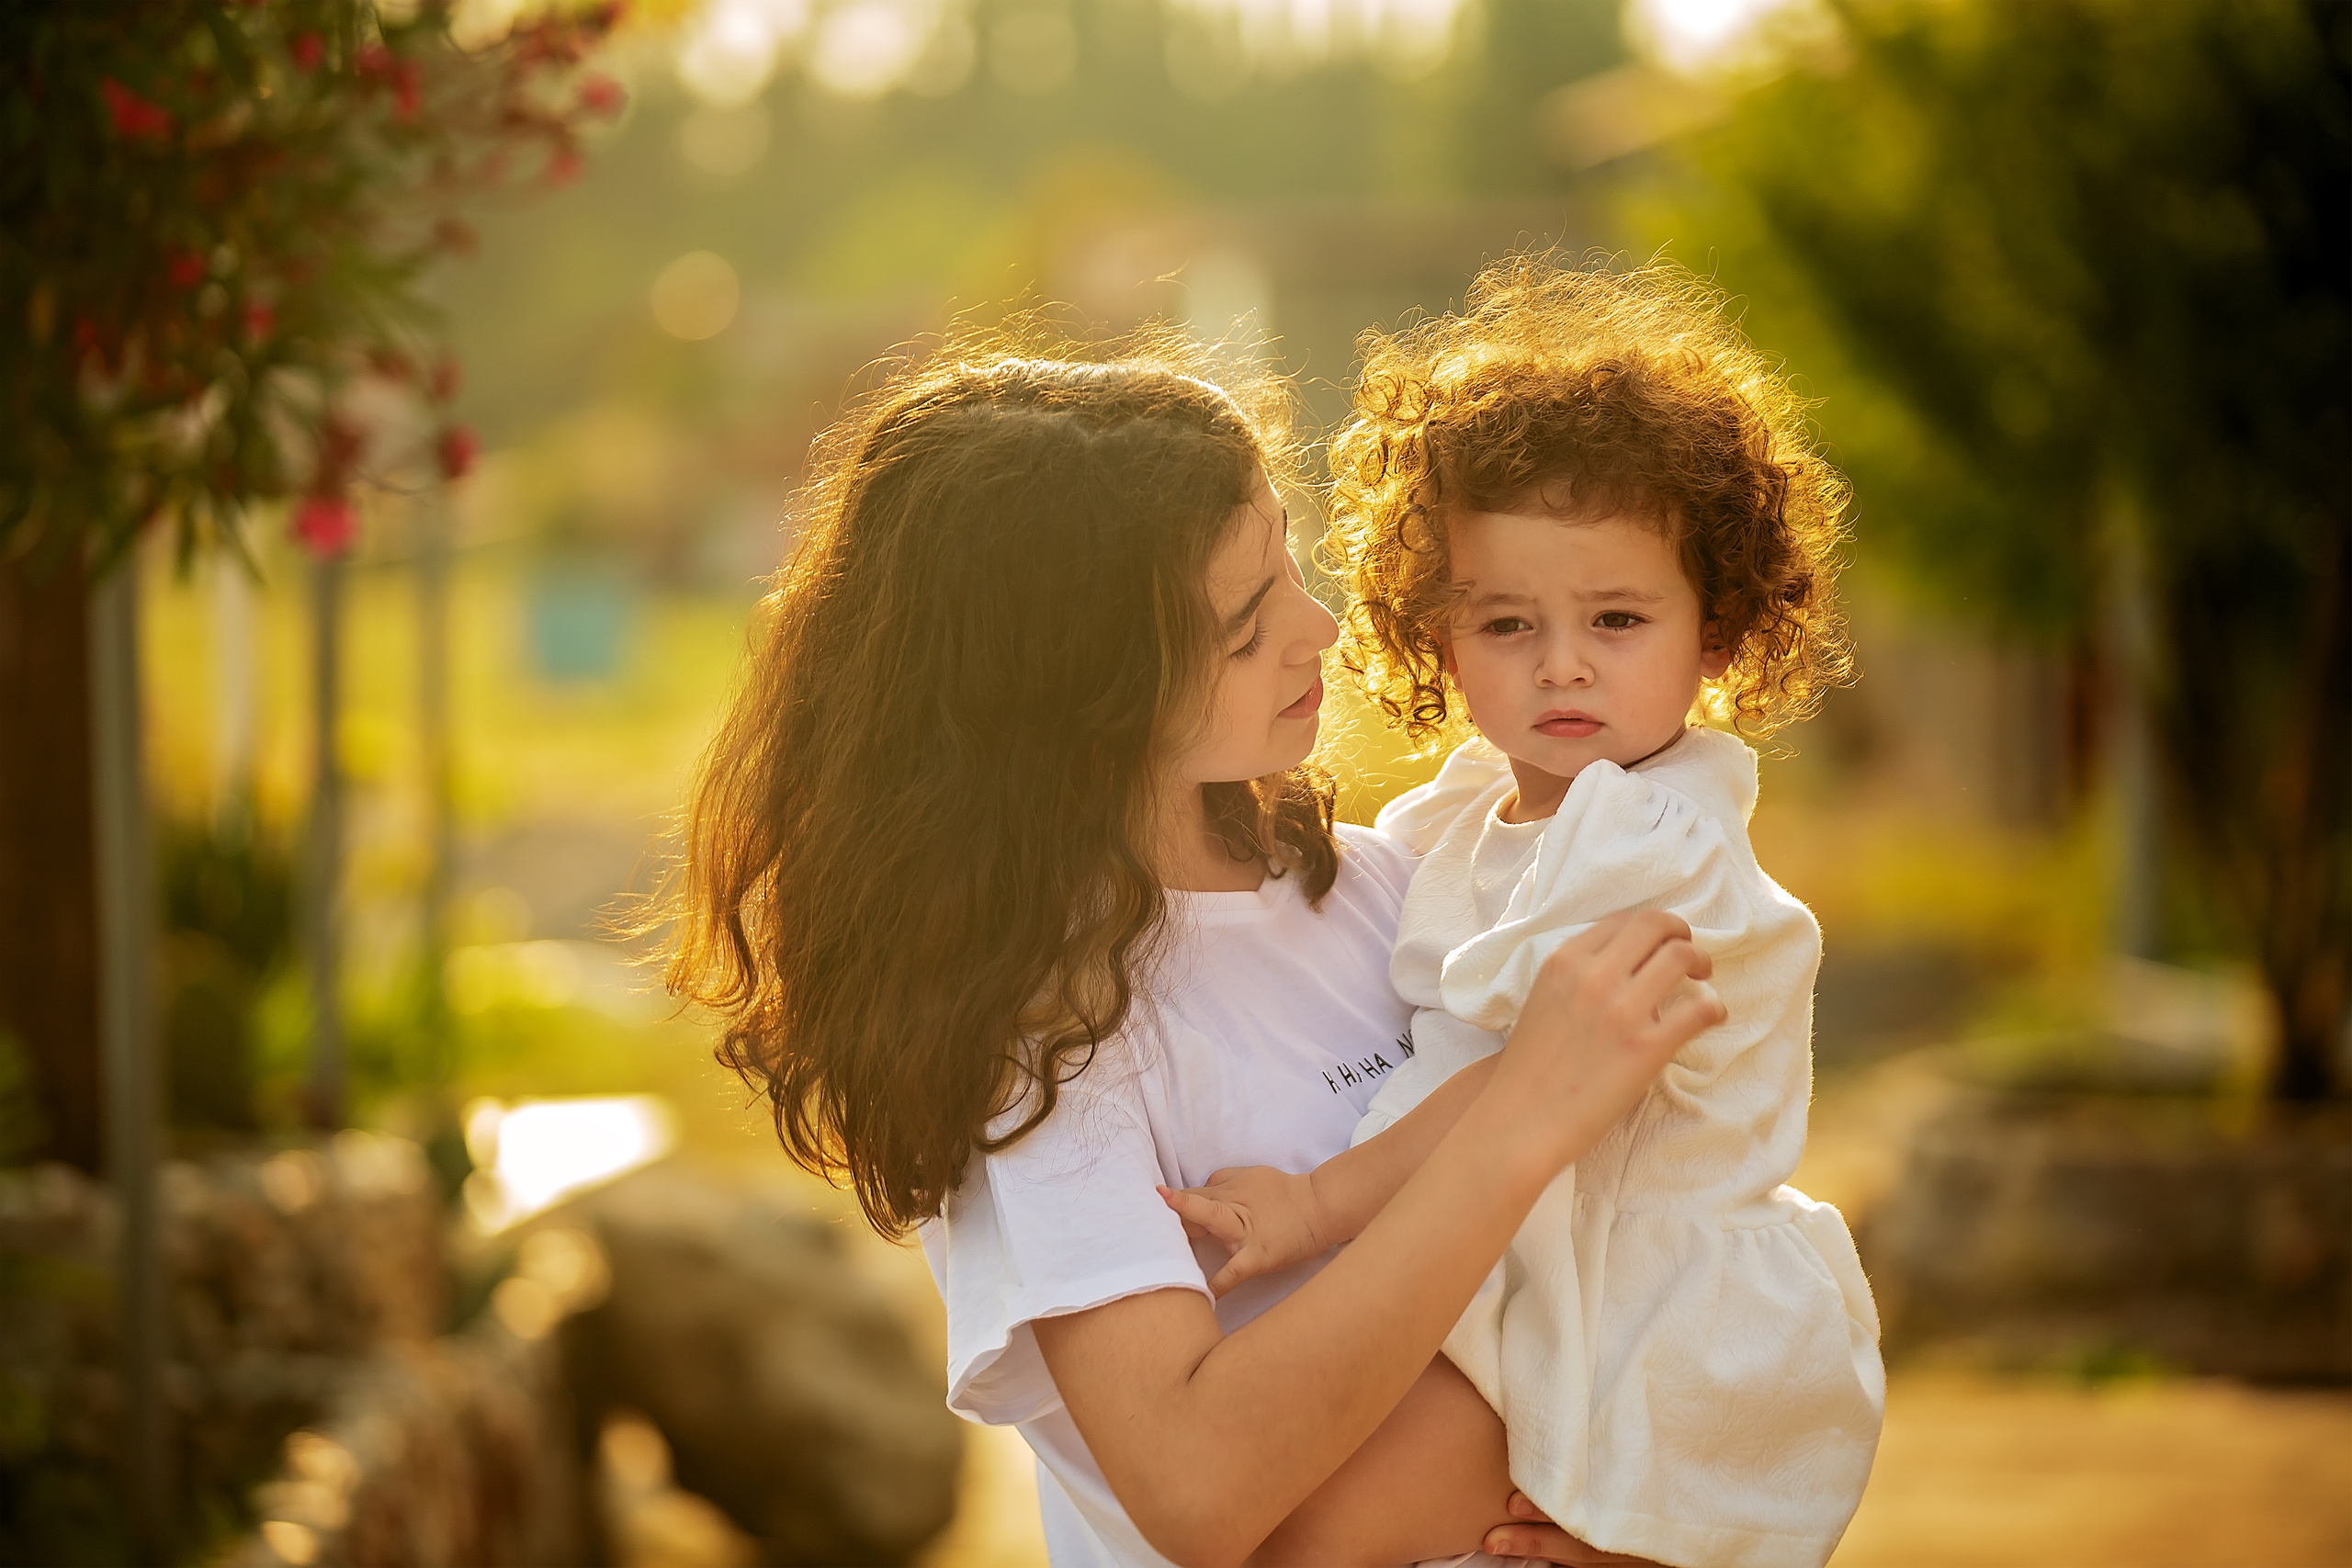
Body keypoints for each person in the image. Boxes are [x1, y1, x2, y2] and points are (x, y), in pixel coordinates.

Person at [665, 330, 1727, 1568]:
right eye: (1242, 624)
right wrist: (1514, 1125)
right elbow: (1196, 1485)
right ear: (1076, 692)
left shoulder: (1400, 891)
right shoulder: (1036, 1039)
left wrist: (1649, 1528)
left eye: (1287, 562)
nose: (1321, 628)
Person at [1163, 261, 1885, 1568]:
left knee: (1309, 1537)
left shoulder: (1653, 845)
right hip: (1531, 1262)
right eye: (1507, 622)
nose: (1561, 662)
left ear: (1716, 632)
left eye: (1616, 618)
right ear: (1438, 637)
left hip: (1641, 1308)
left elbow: (1517, 1085)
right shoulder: (1458, 820)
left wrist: (1319, 1208)